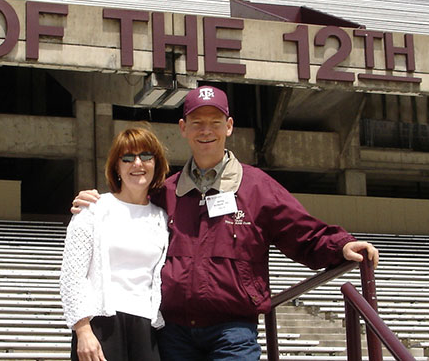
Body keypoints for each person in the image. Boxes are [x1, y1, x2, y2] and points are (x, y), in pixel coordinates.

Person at [73, 85, 379, 361]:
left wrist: (341, 245)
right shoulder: (166, 192)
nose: (206, 131)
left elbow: (301, 232)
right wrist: (94, 199)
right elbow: (129, 204)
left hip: (232, 330)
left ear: (229, 127)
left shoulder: (257, 186)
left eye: (215, 123)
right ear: (183, 128)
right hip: (174, 333)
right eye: (197, 123)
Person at [60, 126, 171, 361]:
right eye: (128, 158)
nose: (137, 164)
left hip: (146, 326)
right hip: (101, 325)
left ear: (156, 164)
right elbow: (72, 276)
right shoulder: (92, 210)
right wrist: (83, 331)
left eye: (146, 156)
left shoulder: (162, 218)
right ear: (117, 167)